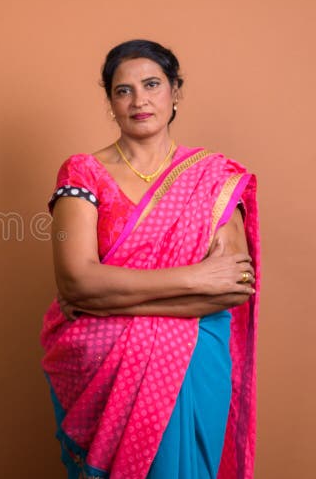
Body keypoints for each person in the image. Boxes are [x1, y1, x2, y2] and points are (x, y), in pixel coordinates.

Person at [40, 40, 259, 478]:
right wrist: (197, 277)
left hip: (196, 365)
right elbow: (76, 282)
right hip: (101, 370)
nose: (139, 100)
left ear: (175, 92)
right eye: (123, 90)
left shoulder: (213, 178)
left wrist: (106, 300)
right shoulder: (82, 172)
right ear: (110, 102)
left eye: (152, 84)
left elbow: (232, 285)